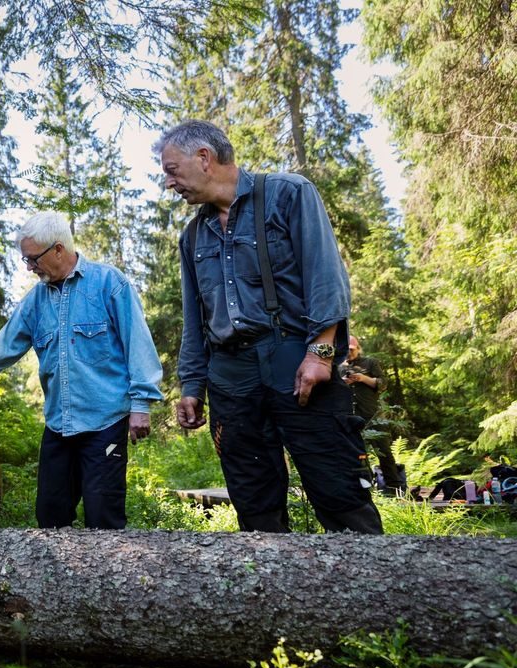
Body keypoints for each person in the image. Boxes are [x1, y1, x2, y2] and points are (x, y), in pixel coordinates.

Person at [154, 120, 383, 534]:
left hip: (298, 364)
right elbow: (196, 320)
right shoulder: (192, 237)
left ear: (204, 158)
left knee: (339, 491)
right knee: (255, 505)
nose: (168, 182)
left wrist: (321, 353)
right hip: (231, 380)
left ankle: (375, 592)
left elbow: (326, 279)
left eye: (172, 169)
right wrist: (192, 387)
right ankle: (274, 594)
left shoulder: (289, 193)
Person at [0, 211, 163, 530]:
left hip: (105, 422)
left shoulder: (109, 284)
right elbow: (3, 344)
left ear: (58, 249)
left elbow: (139, 345)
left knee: (103, 516)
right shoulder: (35, 301)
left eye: (33, 259)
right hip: (59, 426)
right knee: (49, 514)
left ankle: (103, 580)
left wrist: (141, 405)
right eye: (25, 260)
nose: (29, 267)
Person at [340, 335, 404, 492]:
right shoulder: (338, 367)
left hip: (372, 416)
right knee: (358, 454)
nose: (348, 353)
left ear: (358, 348)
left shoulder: (370, 363)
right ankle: (366, 487)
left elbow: (383, 384)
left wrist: (363, 378)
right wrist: (342, 382)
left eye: (351, 350)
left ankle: (394, 487)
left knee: (383, 451)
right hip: (349, 417)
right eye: (346, 350)